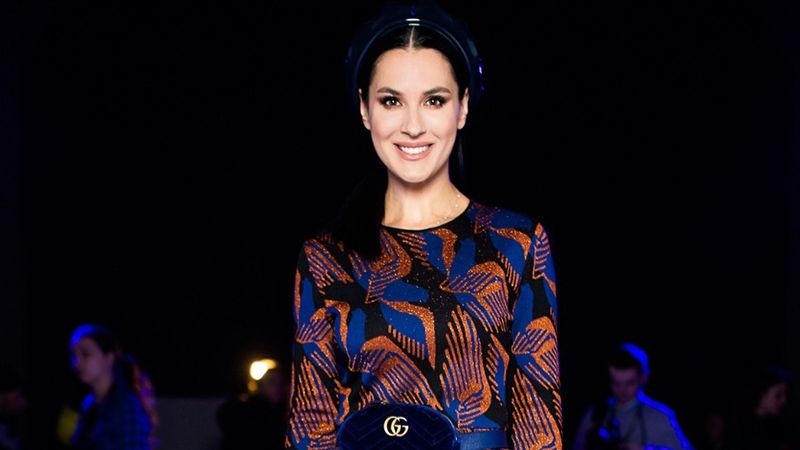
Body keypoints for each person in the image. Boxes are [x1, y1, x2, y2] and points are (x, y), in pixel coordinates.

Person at [285, 2, 561, 449]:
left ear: (462, 107)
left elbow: (539, 426)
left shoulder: (516, 242)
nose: (413, 125)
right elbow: (309, 426)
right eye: (391, 101)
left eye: (434, 100)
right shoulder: (325, 256)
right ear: (365, 110)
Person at [572, 343, 692, 450]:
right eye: (616, 383)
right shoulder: (594, 414)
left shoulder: (661, 416)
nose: (622, 390)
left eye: (629, 383)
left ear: (643, 378)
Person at [68, 324, 157, 450]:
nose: (76, 362)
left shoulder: (126, 405)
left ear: (109, 358)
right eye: (73, 355)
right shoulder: (89, 404)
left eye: (85, 355)